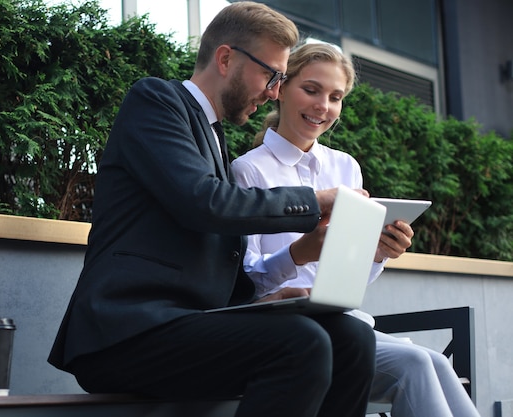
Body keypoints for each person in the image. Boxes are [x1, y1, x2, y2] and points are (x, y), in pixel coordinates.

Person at [48, 3, 377, 417]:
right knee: (301, 342)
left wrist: (268, 302)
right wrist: (316, 201)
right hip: (126, 330)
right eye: (272, 75)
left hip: (191, 325)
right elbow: (205, 203)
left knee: (351, 339)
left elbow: (215, 249)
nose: (274, 91)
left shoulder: (215, 140)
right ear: (226, 58)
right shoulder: (155, 101)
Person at [231, 40, 481, 417]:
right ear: (281, 89)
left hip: (342, 323)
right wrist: (301, 251)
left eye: (335, 96)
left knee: (437, 363)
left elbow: (347, 279)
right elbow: (245, 277)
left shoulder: (345, 168)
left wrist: (378, 252)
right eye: (311, 90)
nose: (323, 106)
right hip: (282, 327)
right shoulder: (248, 170)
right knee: (414, 365)